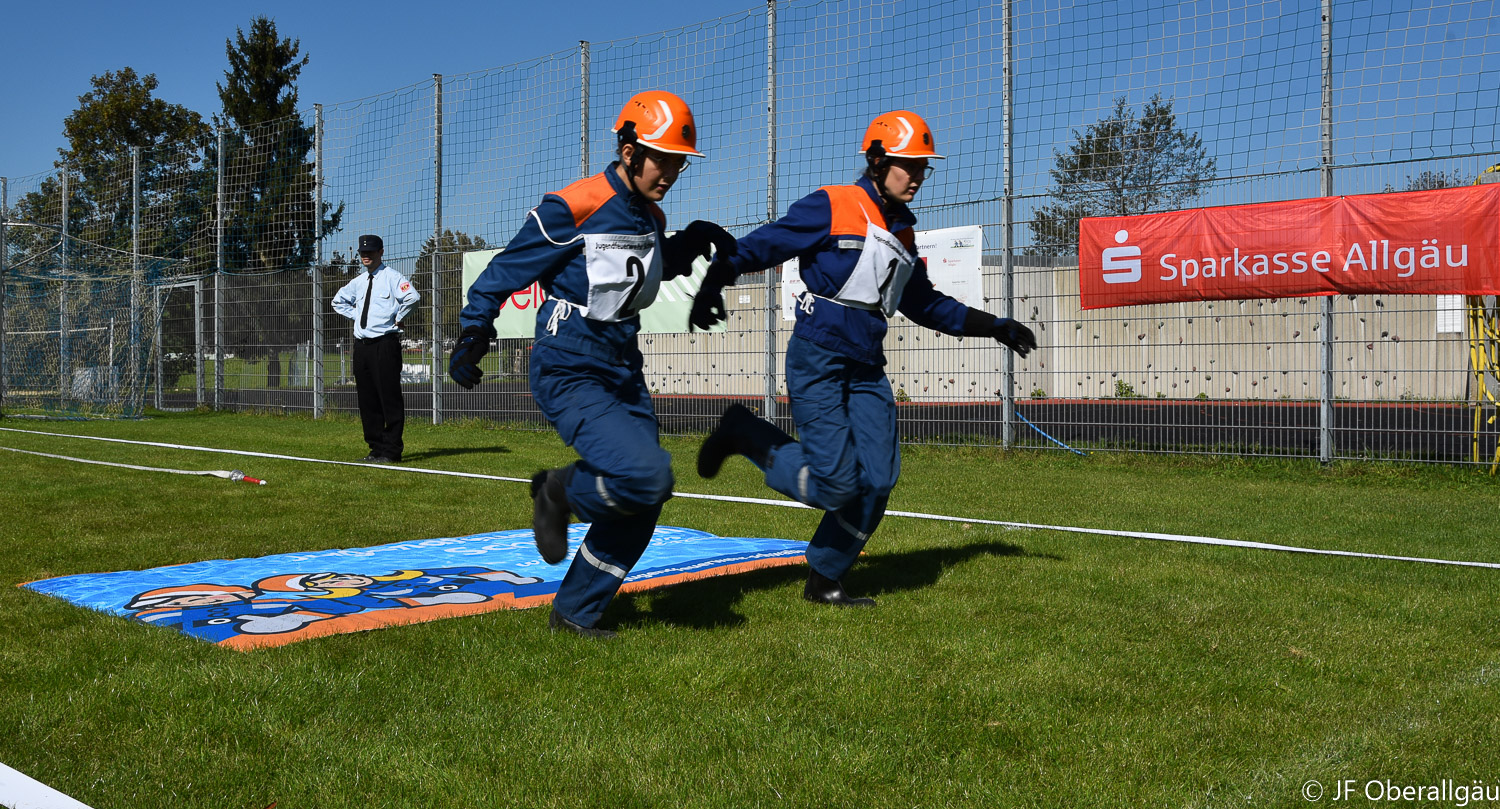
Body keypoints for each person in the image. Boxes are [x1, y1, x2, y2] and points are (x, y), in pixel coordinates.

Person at [689, 110, 1037, 608]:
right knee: (836, 483)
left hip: (866, 367)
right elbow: (765, 244)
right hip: (819, 359)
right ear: (877, 161)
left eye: (922, 168)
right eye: (907, 165)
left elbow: (924, 303)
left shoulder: (904, 234)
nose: (916, 177)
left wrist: (994, 325)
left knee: (878, 478)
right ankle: (746, 433)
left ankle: (825, 576)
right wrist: (713, 280)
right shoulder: (833, 204)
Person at [448, 91, 736, 639]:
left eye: (679, 161)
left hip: (623, 365)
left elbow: (637, 270)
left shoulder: (650, 213)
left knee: (647, 494)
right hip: (570, 365)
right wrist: (474, 329)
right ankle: (556, 493)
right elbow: (508, 267)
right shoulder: (573, 204)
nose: (671, 171)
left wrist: (690, 240)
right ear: (628, 150)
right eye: (662, 157)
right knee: (646, 473)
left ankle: (576, 612)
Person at [332, 234, 420, 463]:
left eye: (370, 252)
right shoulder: (358, 282)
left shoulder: (392, 277)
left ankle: (391, 451)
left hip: (385, 344)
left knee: (388, 397)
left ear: (381, 252)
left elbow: (412, 298)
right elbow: (337, 301)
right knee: (367, 399)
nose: (366, 256)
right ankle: (375, 447)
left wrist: (399, 318)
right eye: (362, 253)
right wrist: (358, 317)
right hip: (362, 347)